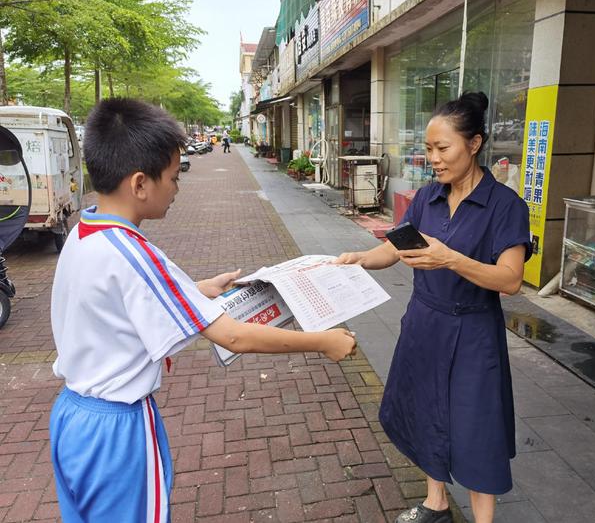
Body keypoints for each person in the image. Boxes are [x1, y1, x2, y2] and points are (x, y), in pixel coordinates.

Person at [49, 98, 356, 523]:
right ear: (140, 184)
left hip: (72, 418)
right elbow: (233, 336)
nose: (178, 188)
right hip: (116, 432)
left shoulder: (84, 234)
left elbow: (113, 302)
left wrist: (194, 291)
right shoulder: (135, 253)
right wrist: (322, 341)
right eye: (174, 178)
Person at [335, 92, 531, 523]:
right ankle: (436, 503)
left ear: (474, 144)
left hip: (473, 331)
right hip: (424, 321)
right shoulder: (428, 197)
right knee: (424, 409)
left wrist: (450, 259)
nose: (434, 159)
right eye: (428, 149)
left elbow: (511, 280)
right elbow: (395, 249)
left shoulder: (505, 206)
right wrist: (358, 258)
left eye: (443, 148)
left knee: (476, 427)